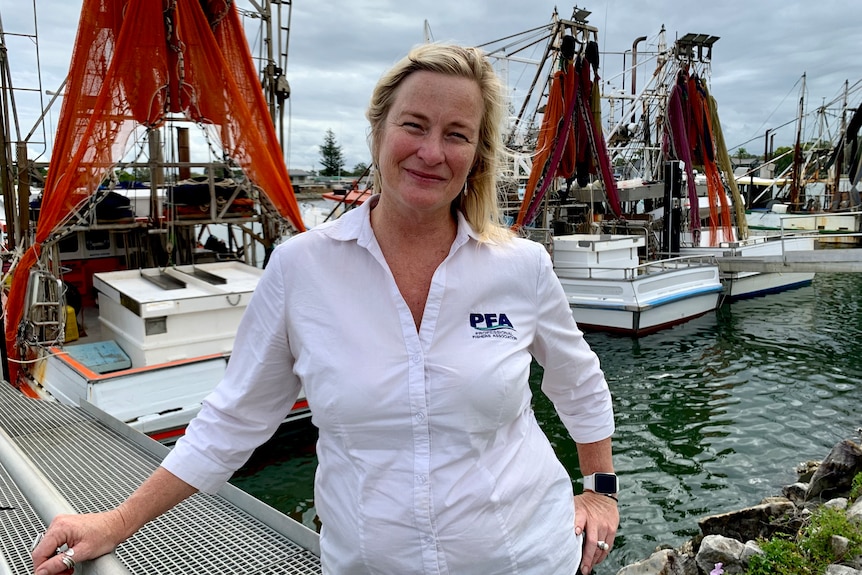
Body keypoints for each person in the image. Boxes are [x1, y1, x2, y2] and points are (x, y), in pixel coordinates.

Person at [32, 43, 618, 575]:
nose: (431, 152)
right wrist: (118, 522)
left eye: (457, 134)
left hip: (526, 558)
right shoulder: (300, 269)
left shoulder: (521, 266)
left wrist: (600, 488)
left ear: (478, 153)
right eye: (413, 125)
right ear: (379, 131)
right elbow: (231, 422)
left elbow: (577, 379)